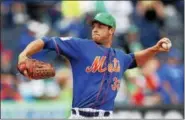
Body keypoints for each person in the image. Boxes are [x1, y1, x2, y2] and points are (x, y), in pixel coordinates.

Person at [18, 12, 172, 119]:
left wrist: (155, 49)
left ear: (111, 30)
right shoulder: (80, 46)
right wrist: (24, 54)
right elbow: (46, 41)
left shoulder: (120, 56)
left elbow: (135, 59)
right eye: (94, 25)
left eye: (100, 26)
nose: (95, 28)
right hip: (80, 116)